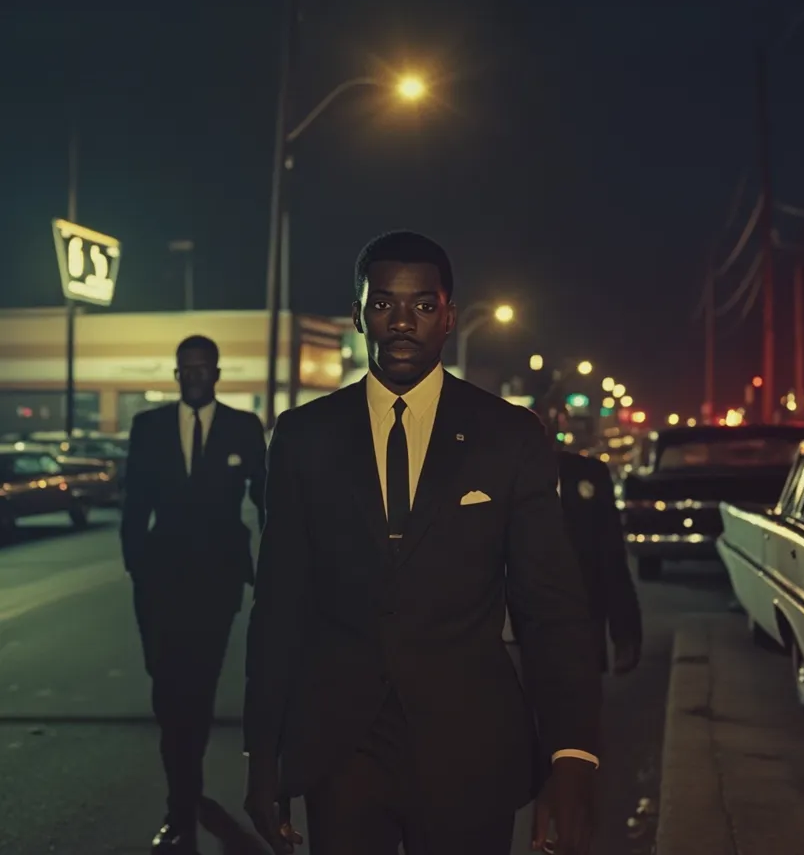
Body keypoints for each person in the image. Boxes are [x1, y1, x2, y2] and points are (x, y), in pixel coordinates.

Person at [243, 231, 602, 855]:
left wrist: (571, 754)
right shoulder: (305, 437)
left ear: (450, 316)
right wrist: (262, 751)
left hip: (472, 749)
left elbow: (551, 605)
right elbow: (279, 606)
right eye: (383, 305)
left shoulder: (510, 435)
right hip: (342, 751)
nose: (402, 322)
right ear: (358, 315)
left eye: (423, 306)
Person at [121, 335, 266, 854]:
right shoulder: (149, 427)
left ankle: (180, 807)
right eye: (186, 370)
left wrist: (271, 565)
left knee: (196, 694)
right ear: (177, 375)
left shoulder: (243, 428)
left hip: (216, 585)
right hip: (159, 585)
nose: (195, 377)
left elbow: (265, 498)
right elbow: (134, 506)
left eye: (203, 369)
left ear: (219, 373)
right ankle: (186, 785)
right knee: (168, 695)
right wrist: (137, 567)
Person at [503, 446, 642, 676]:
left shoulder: (586, 473)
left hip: (581, 615)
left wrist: (625, 632)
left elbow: (611, 558)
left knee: (579, 697)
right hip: (523, 619)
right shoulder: (496, 474)